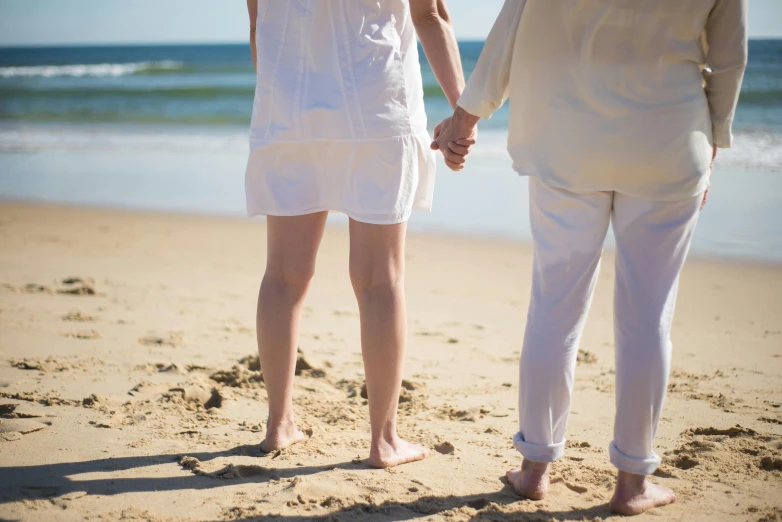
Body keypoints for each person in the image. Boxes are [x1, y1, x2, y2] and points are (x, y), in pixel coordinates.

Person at [432, 0, 747, 515]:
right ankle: (632, 482)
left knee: (554, 309)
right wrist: (712, 143)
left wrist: (466, 119)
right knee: (648, 319)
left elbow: (510, 29)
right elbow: (729, 59)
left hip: (565, 142)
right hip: (667, 142)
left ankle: (534, 468)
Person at [244, 0, 470, 468]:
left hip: (287, 110)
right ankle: (383, 441)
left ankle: (278, 426)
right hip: (376, 105)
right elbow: (429, 16)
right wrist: (463, 111)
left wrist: (282, 101)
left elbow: (258, 23)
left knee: (283, 277)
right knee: (379, 281)